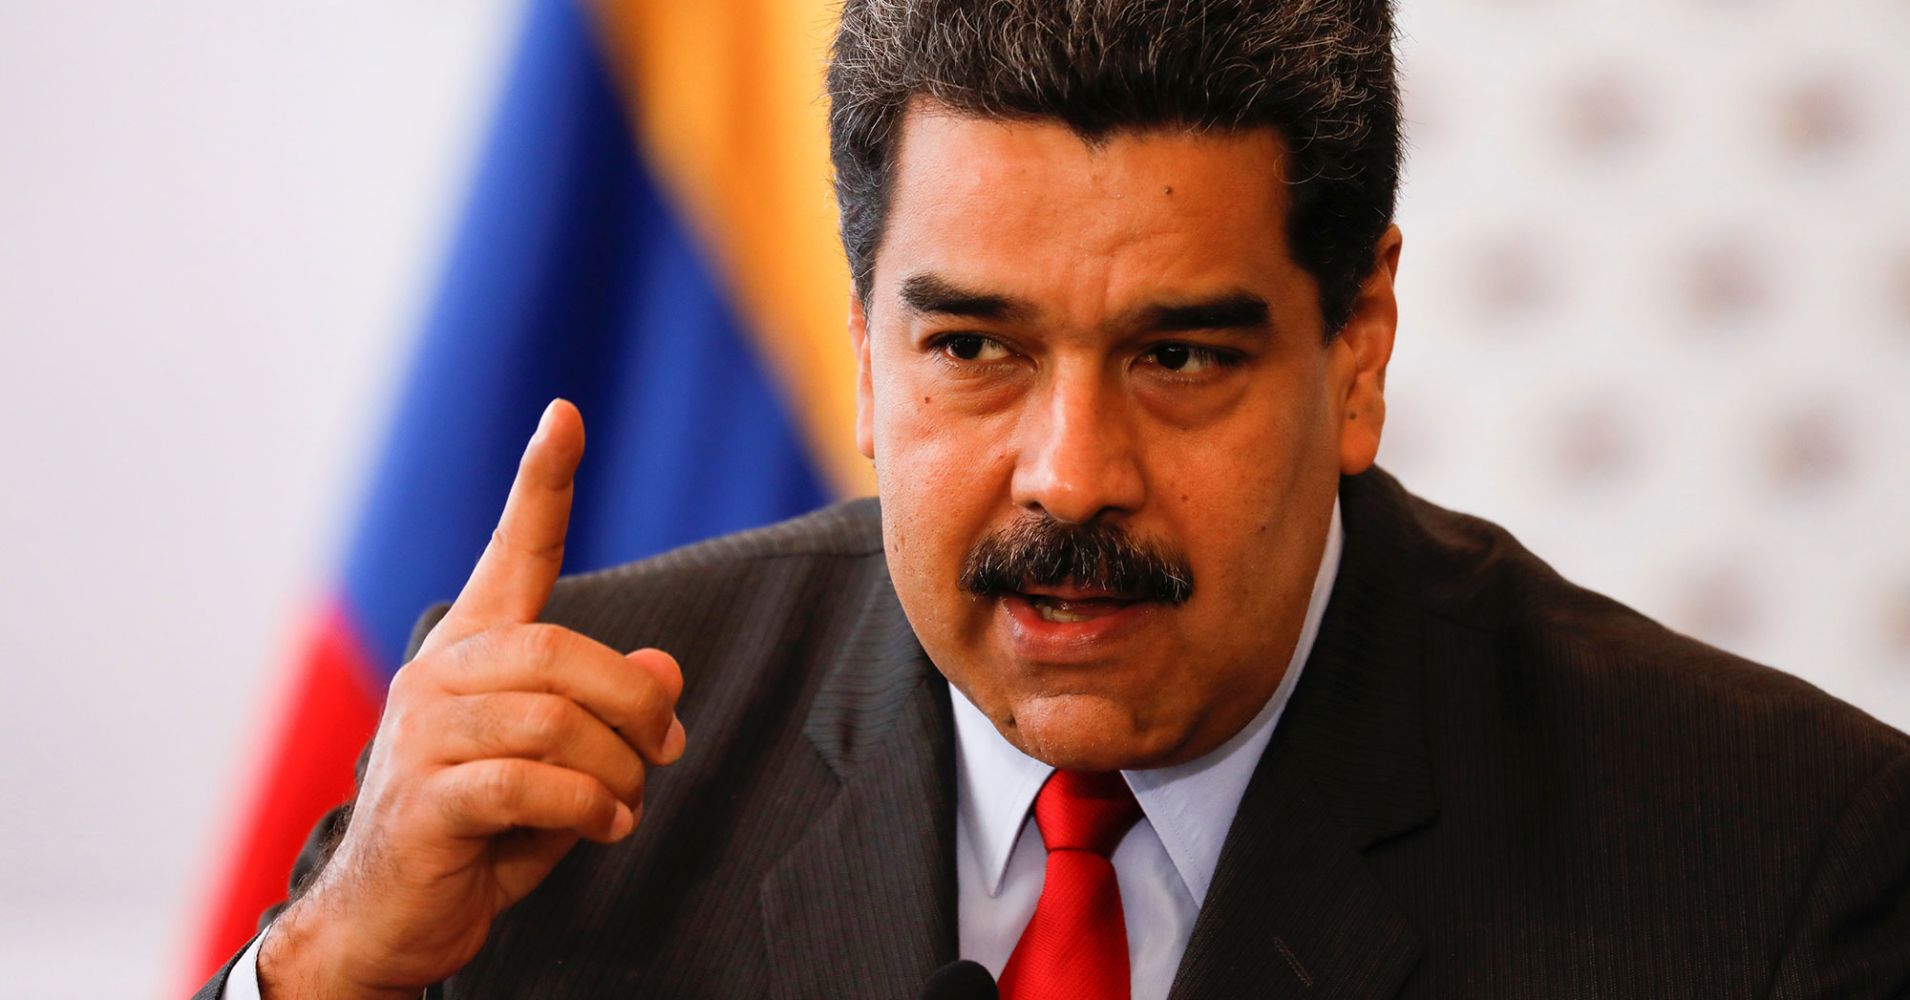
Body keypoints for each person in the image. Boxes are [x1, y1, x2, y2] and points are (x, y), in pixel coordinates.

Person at [199, 1, 1910, 997]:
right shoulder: (537, 798)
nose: (1071, 475)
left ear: (1359, 345)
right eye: (974, 351)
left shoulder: (1770, 868)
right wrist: (332, 969)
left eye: (1177, 358)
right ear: (864, 349)